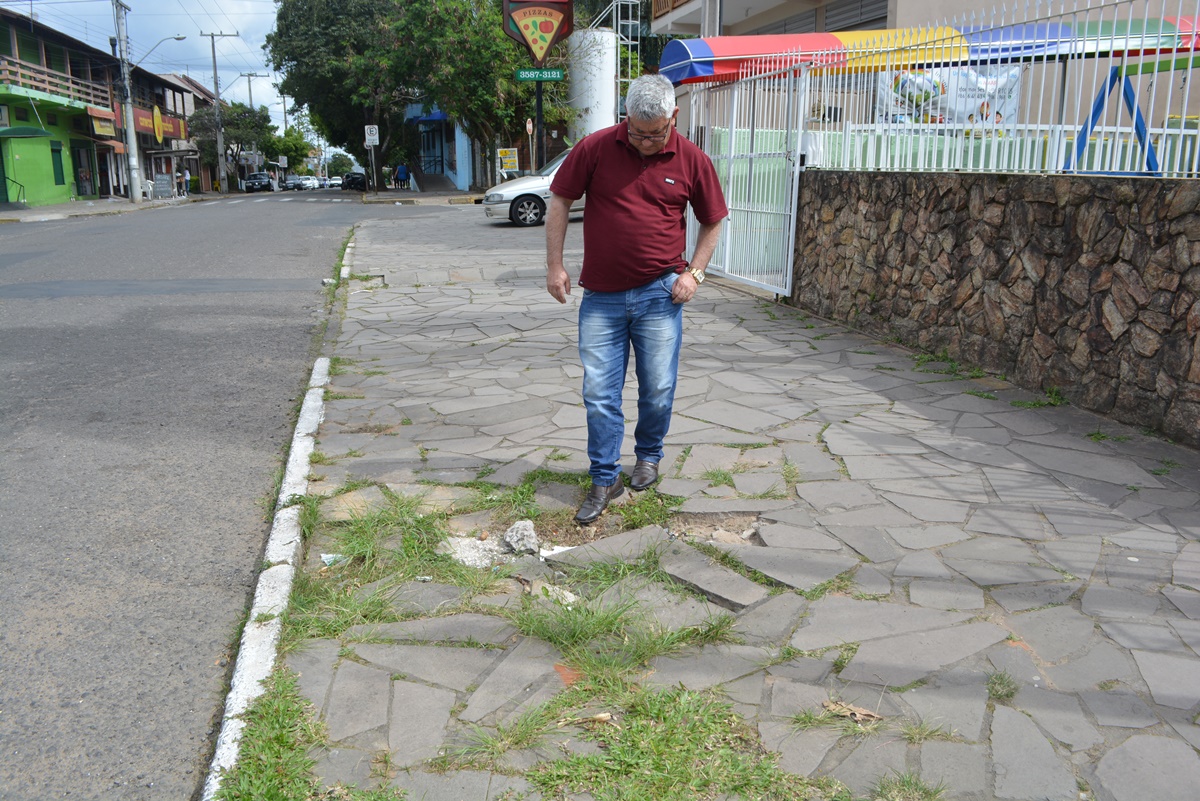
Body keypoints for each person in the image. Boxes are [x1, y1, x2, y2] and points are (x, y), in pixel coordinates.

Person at [545, 73, 727, 525]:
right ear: (624, 117)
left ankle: (648, 455)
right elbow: (560, 199)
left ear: (674, 118)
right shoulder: (596, 147)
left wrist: (695, 274)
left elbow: (713, 221)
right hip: (602, 299)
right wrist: (555, 265)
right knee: (599, 394)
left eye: (655, 133)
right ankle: (604, 478)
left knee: (658, 390)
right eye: (636, 131)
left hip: (660, 295)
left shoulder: (694, 161)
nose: (645, 141)